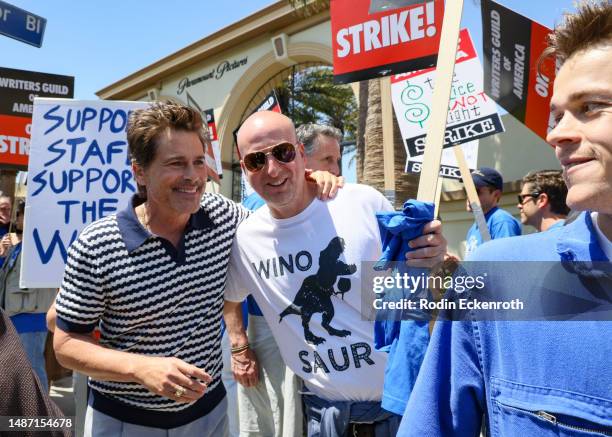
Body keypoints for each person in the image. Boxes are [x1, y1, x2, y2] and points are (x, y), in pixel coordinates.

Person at [50, 101, 341, 437]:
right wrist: (139, 368)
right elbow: (67, 344)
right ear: (140, 172)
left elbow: (281, 222)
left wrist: (312, 182)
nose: (192, 177)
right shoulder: (97, 243)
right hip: (122, 422)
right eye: (176, 164)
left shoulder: (224, 217)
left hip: (209, 417)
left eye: (198, 162)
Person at [398, 2, 612, 435]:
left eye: (590, 107)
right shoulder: (497, 270)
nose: (556, 134)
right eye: (556, 115)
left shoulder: (499, 232)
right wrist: (433, 269)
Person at [224, 110, 447, 436]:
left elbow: (419, 281)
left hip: (402, 411)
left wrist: (435, 255)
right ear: (245, 169)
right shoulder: (247, 238)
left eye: (283, 153)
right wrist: (238, 343)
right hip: (323, 418)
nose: (272, 169)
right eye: (257, 161)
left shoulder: (362, 203)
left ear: (300, 154)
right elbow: (231, 297)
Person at [237, 123, 344, 437]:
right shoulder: (258, 208)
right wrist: (239, 347)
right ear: (303, 158)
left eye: (338, 160)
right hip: (271, 340)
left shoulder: (341, 205)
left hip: (321, 343)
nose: (337, 169)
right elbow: (232, 294)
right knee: (282, 422)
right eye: (328, 161)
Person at [0, 200, 57, 392]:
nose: (18, 219)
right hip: (15, 315)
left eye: (22, 215)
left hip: (31, 317)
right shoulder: (17, 245)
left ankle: (39, 416)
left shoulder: (41, 243)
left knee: (32, 366)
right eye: (18, 215)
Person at [464, 167, 521, 256]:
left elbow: (505, 263)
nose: (469, 196)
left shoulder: (501, 221)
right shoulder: (474, 227)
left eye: (476, 191)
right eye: (467, 190)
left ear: (496, 194)